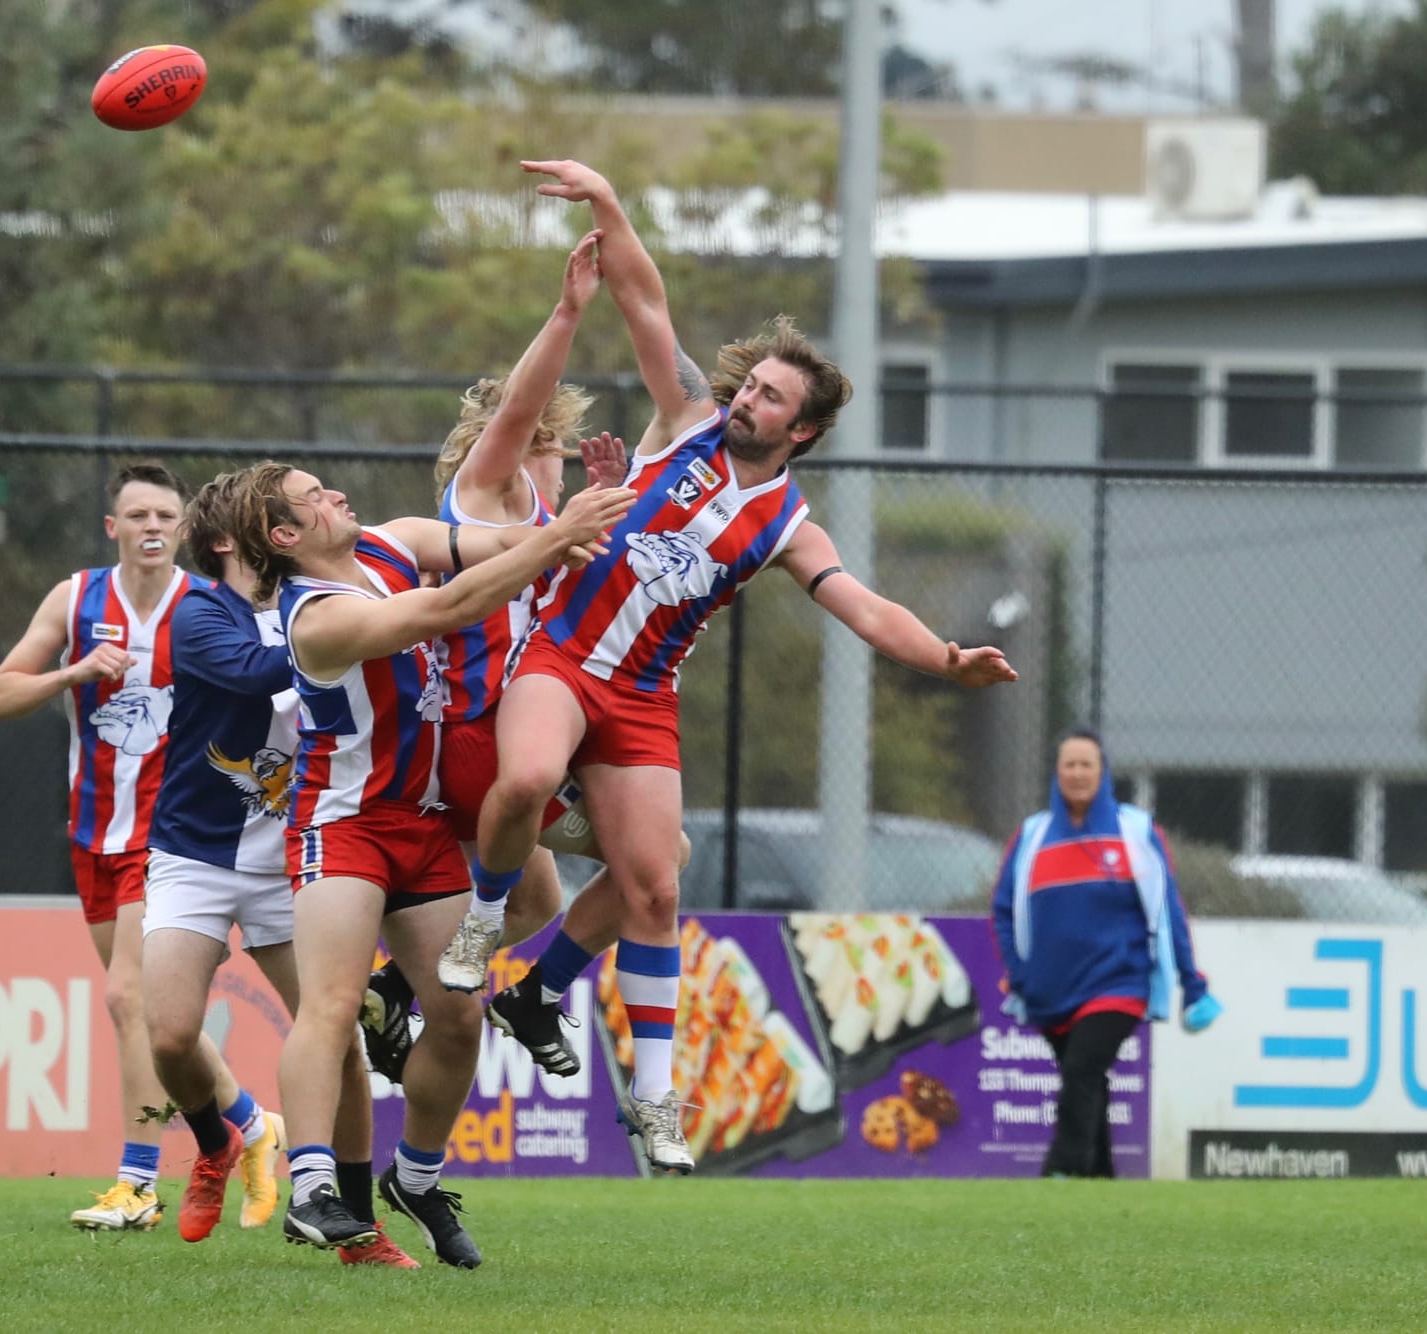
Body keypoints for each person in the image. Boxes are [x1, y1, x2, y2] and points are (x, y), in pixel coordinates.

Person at [443, 157, 1021, 1176]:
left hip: (641, 698)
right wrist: (610, 199)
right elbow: (643, 295)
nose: (744, 397)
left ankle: (650, 1095)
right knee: (525, 780)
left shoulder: (786, 523)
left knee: (654, 887)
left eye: (766, 396)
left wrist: (942, 656)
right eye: (748, 383)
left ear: (800, 429)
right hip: (564, 654)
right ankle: (483, 923)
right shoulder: (684, 423)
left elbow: (862, 604)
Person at [226, 458, 632, 1266]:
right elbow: (448, 606)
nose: (338, 494)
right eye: (315, 498)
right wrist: (556, 537)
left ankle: (414, 1176)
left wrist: (586, 521)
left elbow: (503, 543)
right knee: (333, 1005)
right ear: (285, 536)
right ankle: (312, 1188)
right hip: (343, 822)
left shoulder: (393, 540)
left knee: (455, 1012)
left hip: (423, 821)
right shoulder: (316, 616)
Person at [358, 230, 634, 1085]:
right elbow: (516, 416)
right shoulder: (486, 501)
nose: (552, 462)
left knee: (541, 898)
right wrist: (568, 312)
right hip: (479, 743)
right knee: (654, 858)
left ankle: (397, 993)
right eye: (547, 446)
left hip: (503, 741)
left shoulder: (540, 535)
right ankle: (531, 995)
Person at [0, 462, 273, 1233]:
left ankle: (137, 1181)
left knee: (127, 999)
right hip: (94, 833)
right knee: (157, 1019)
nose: (151, 527)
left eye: (164, 517)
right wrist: (74, 671)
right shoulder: (76, 599)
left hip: (169, 834)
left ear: (185, 531)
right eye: (136, 515)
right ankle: (252, 1122)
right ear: (112, 528)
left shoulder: (205, 609)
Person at [139, 471, 415, 1265]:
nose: (297, 514)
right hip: (194, 853)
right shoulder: (200, 614)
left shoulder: (329, 592)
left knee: (336, 1041)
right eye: (273, 511)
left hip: (288, 858)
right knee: (169, 1034)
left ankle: (359, 1232)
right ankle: (219, 1142)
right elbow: (263, 674)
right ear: (230, 540)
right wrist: (374, 625)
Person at [991, 727, 1222, 1179]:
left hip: (1120, 982)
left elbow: (1167, 909)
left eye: (1086, 764)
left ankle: (1062, 1168)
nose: (1077, 773)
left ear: (1103, 772)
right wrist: (1020, 974)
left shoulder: (1135, 831)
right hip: (1050, 989)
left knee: (1082, 1067)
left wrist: (1192, 985)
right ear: (1057, 774)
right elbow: (1002, 910)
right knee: (1087, 1077)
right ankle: (1100, 1176)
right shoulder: (1033, 836)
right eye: (1069, 765)